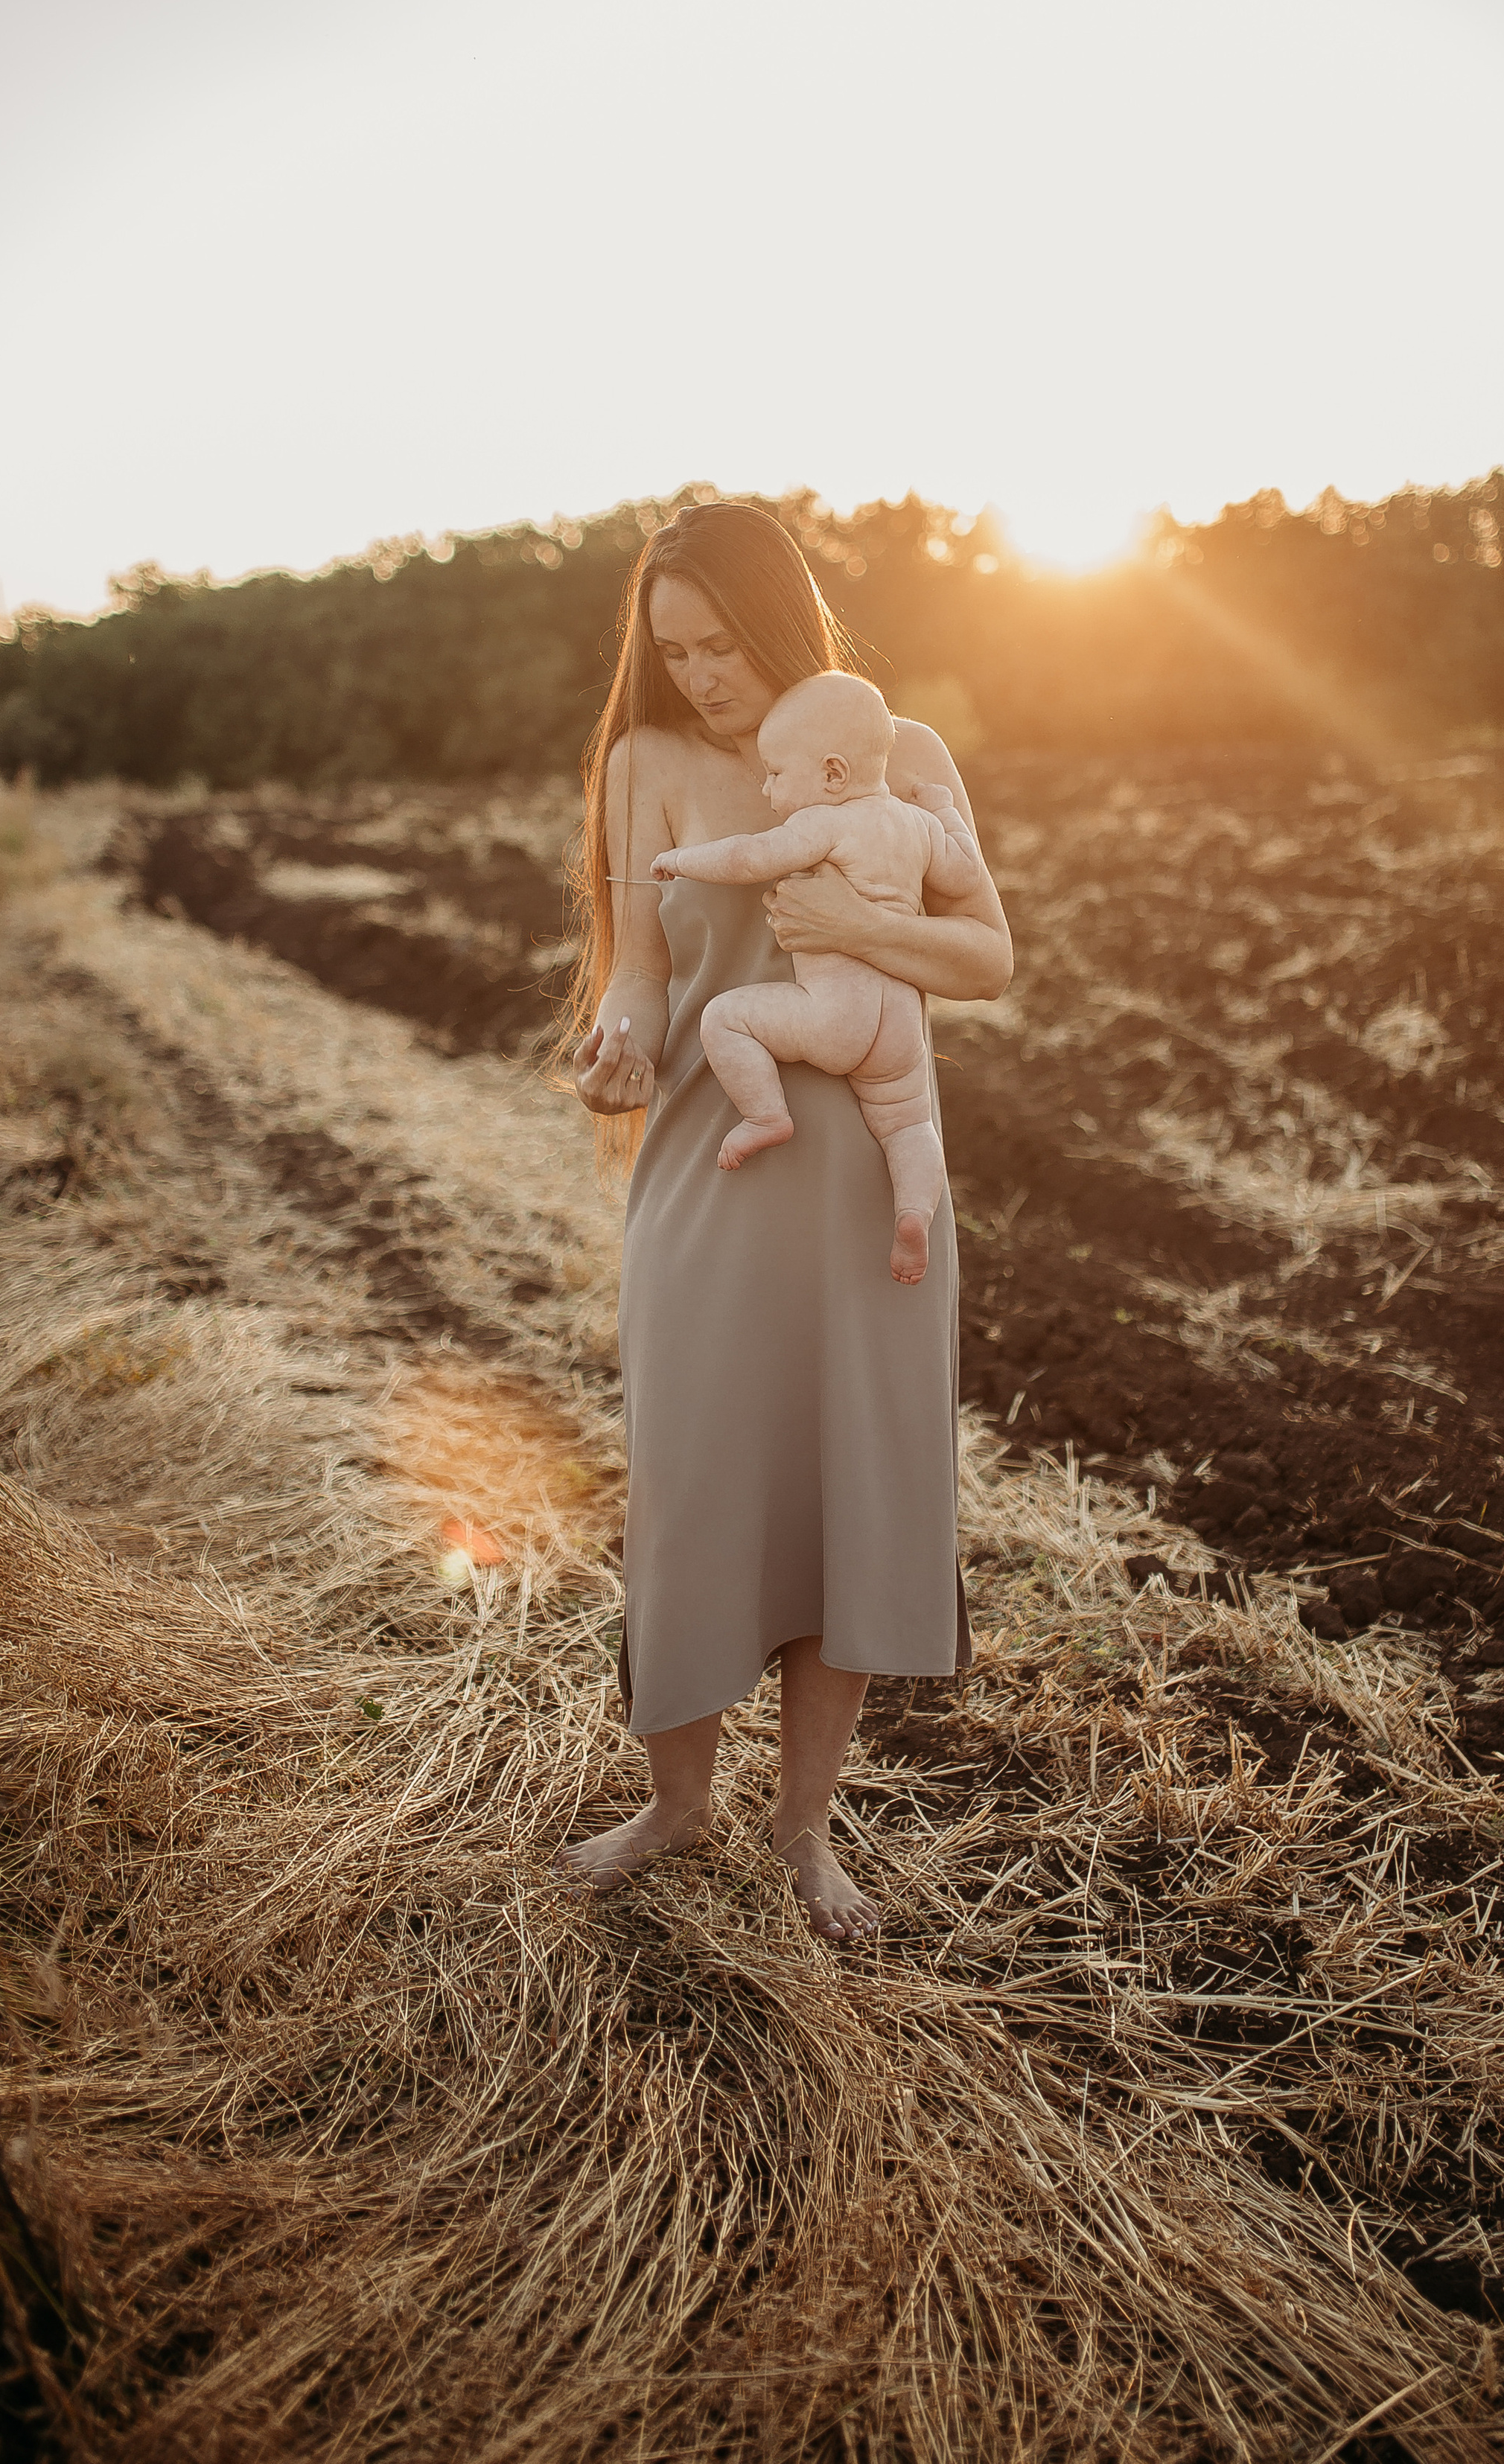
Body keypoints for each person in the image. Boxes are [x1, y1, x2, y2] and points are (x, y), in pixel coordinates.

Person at [555, 501, 1013, 1943]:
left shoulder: (902, 756)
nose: (697, 676)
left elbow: (985, 956)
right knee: (695, 1490)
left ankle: (804, 1833)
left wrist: (851, 928)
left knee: (845, 1500)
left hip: (871, 1194)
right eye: (672, 650)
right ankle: (674, 1806)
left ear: (778, 621)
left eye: (720, 644)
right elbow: (641, 973)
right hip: (709, 1175)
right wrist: (621, 1046)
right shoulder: (645, 765)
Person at [647, 668, 986, 1283]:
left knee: (726, 1018)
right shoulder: (915, 825)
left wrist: (680, 860)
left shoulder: (824, 822)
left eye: (777, 774)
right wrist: (943, 811)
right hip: (899, 1025)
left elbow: (748, 856)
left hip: (835, 1016)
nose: (768, 788)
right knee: (910, 1124)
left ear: (832, 774)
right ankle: (913, 1214)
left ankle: (765, 1116)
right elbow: (965, 873)